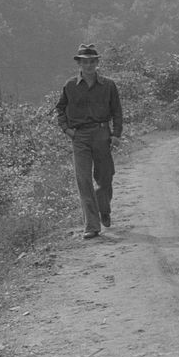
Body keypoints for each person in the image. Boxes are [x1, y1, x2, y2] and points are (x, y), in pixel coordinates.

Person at [55, 44, 123, 240]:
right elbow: (60, 109)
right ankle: (92, 226)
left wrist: (116, 134)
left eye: (92, 61)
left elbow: (117, 111)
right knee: (83, 180)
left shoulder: (109, 85)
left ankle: (104, 208)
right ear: (79, 63)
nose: (89, 65)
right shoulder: (70, 86)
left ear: (97, 63)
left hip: (102, 134)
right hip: (80, 137)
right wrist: (67, 130)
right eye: (85, 61)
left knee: (105, 178)